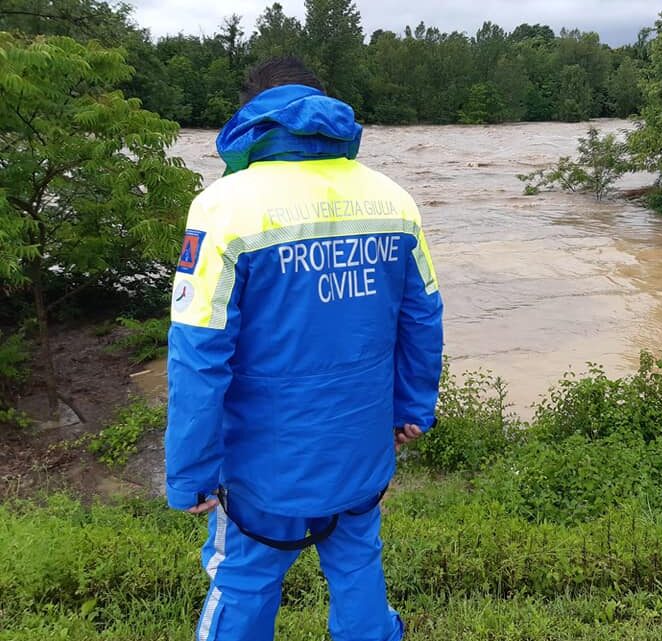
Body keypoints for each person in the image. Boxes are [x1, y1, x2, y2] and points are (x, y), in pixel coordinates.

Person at [164, 57, 444, 641]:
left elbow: (198, 354)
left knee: (243, 578)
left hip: (266, 464)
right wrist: (412, 408)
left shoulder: (223, 206)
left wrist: (190, 470)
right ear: (325, 110)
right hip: (360, 447)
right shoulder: (393, 200)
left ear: (251, 112)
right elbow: (422, 318)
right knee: (358, 568)